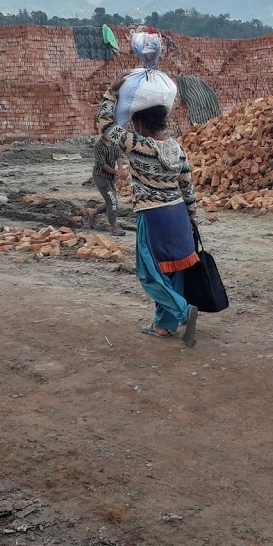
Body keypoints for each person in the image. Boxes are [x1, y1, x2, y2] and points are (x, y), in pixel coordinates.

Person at [97, 77, 200, 347]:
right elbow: (187, 186)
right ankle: (163, 325)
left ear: (140, 124)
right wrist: (192, 219)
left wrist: (111, 93)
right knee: (173, 269)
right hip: (178, 214)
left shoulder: (136, 144)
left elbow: (106, 127)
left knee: (149, 272)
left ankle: (181, 311)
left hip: (152, 215)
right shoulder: (177, 148)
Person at [87, 134, 126, 237]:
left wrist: (121, 169)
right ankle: (113, 227)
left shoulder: (114, 142)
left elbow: (119, 156)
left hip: (110, 177)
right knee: (112, 200)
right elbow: (103, 165)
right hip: (100, 176)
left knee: (112, 200)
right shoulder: (98, 146)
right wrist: (116, 172)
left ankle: (93, 212)